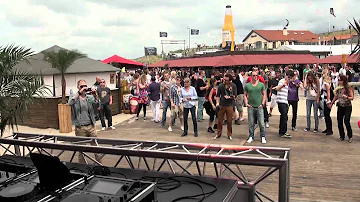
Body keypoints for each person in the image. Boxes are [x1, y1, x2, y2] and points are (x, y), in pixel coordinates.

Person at [68, 79, 102, 164]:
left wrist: (95, 95)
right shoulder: (74, 97)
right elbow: (70, 103)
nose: (84, 88)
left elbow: (98, 105)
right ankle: (83, 168)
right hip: (80, 127)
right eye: (82, 86)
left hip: (91, 126)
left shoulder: (89, 97)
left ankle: (100, 166)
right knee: (82, 150)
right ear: (78, 87)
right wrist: (79, 93)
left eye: (85, 86)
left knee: (97, 148)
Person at [329, 75, 354, 142]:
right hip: (340, 106)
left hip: (347, 106)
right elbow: (336, 96)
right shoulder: (338, 88)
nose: (339, 81)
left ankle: (350, 136)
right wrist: (332, 102)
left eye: (340, 80)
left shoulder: (348, 87)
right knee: (339, 121)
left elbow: (352, 97)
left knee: (346, 121)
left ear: (343, 81)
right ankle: (342, 136)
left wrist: (346, 97)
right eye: (338, 80)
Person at [244, 71, 267, 144]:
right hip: (251, 106)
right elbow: (244, 95)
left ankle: (263, 136)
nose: (255, 77)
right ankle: (251, 136)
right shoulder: (247, 85)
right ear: (251, 76)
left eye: (256, 75)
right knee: (251, 123)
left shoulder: (261, 85)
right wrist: (246, 103)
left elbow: (264, 94)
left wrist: (262, 103)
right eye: (253, 75)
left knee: (261, 123)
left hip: (259, 106)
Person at [214, 74, 237, 140]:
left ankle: (229, 134)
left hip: (230, 105)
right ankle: (218, 134)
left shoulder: (233, 86)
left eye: (226, 80)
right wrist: (217, 103)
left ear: (230, 80)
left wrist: (230, 97)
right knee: (219, 121)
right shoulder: (221, 86)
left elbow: (235, 96)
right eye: (224, 79)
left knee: (229, 121)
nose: (225, 81)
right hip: (222, 105)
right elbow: (218, 95)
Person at [273, 70, 295, 138]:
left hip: (285, 101)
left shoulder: (288, 83)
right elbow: (277, 88)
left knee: (284, 116)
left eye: (290, 77)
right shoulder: (282, 81)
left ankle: (282, 131)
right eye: (288, 77)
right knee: (284, 116)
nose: (288, 79)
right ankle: (283, 132)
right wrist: (283, 85)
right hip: (281, 101)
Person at [322, 69, 334, 135]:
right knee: (326, 114)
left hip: (328, 99)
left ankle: (330, 129)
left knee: (327, 114)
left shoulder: (326, 83)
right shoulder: (326, 81)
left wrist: (328, 101)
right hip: (325, 98)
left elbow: (328, 92)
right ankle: (328, 128)